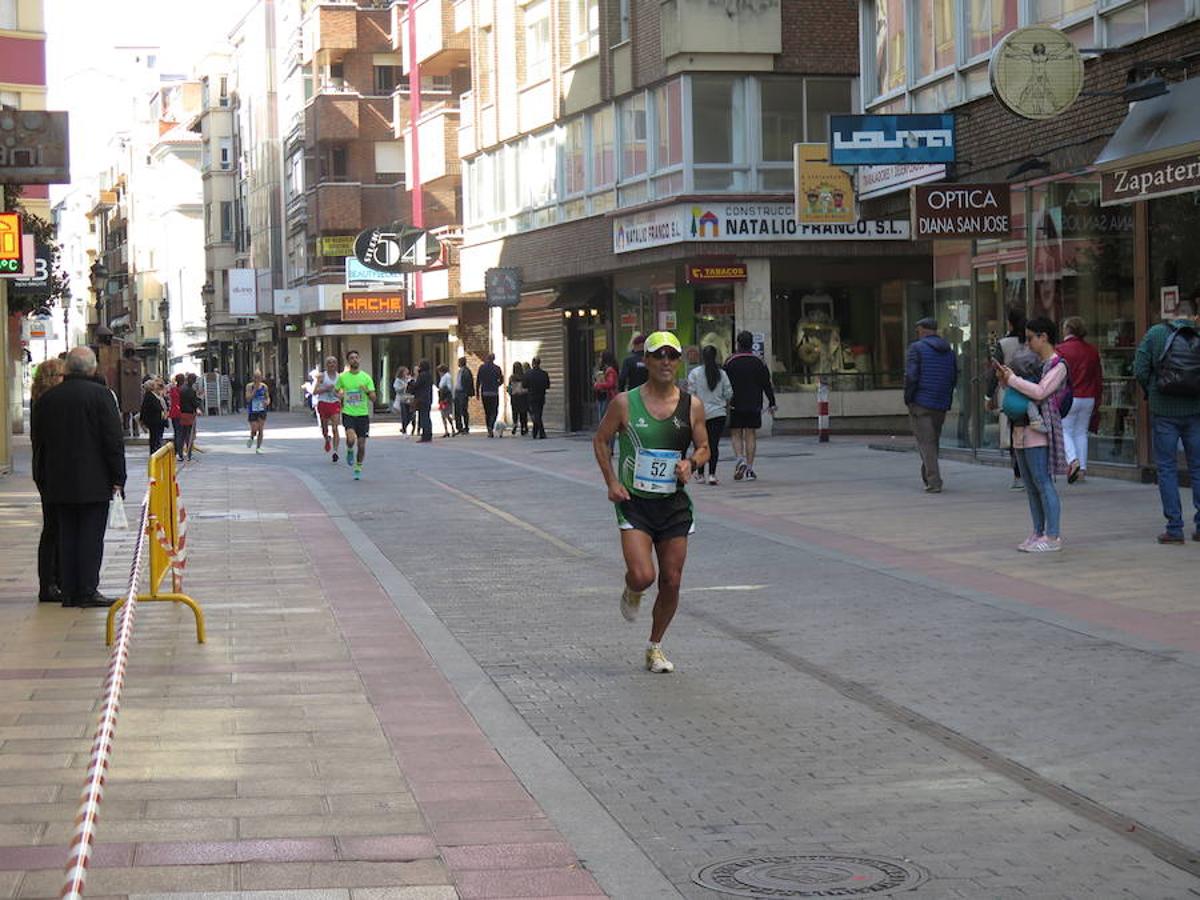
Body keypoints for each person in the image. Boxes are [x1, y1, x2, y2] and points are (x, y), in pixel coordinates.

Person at [593, 331, 709, 674]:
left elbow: (705, 447)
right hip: (635, 502)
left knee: (671, 579)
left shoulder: (692, 405)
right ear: (646, 360)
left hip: (673, 504)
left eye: (673, 356)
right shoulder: (625, 403)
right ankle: (632, 589)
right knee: (644, 575)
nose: (666, 363)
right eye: (659, 356)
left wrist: (692, 463)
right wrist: (612, 482)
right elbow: (600, 441)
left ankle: (655, 647)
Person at [31, 347, 126, 608]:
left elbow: (39, 443)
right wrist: (118, 476)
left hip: (57, 479)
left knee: (67, 535)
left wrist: (42, 477)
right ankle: (86, 589)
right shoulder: (100, 395)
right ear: (92, 368)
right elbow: (112, 440)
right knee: (90, 536)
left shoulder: (48, 399)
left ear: (68, 368)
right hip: (93, 479)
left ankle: (70, 590)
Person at [997, 316, 1070, 552]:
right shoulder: (1035, 362)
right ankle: (1038, 532)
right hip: (1021, 429)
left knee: (1042, 482)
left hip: (1039, 432)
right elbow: (1023, 391)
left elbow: (1040, 392)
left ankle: (1053, 536)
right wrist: (1006, 381)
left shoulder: (1058, 365)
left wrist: (1013, 379)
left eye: (1030, 338)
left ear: (1043, 337)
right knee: (1030, 485)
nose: (1027, 343)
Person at [1133, 299, 1200, 544]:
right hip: (1195, 410)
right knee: (1198, 468)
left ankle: (1174, 528)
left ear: (1172, 314)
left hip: (1164, 412)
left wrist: (1152, 391)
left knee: (1167, 469)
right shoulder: (1198, 334)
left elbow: (1139, 368)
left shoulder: (1156, 333)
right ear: (1194, 316)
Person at [904, 317, 957, 493]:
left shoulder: (916, 349)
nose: (917, 334)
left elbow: (911, 376)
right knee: (932, 441)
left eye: (918, 330)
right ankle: (927, 476)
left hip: (921, 402)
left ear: (924, 330)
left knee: (926, 443)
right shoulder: (948, 350)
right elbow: (953, 376)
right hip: (940, 402)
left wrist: (909, 398)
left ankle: (934, 481)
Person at [30, 358, 65, 604]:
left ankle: (53, 580)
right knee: (53, 527)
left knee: (53, 526)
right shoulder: (48, 402)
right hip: (49, 470)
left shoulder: (40, 399)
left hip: (43, 470)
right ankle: (49, 583)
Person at [724, 331, 777, 481]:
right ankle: (749, 468)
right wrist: (772, 402)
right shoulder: (759, 362)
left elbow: (724, 384)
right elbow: (767, 384)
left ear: (737, 343)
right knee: (750, 434)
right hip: (754, 404)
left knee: (736, 433)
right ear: (751, 343)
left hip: (735, 403)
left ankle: (739, 459)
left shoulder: (730, 361)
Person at [1056, 316, 1103, 484]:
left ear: (1067, 330)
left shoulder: (1060, 350)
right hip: (1088, 396)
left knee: (1064, 430)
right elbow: (1098, 377)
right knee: (1081, 432)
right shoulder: (1092, 350)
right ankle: (1082, 469)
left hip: (1070, 396)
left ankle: (1073, 461)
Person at [988, 308, 1029, 490]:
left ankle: (1019, 474)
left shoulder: (1004, 344)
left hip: (1011, 393)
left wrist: (989, 395)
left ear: (1009, 323)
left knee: (1015, 433)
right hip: (1034, 391)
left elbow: (994, 371)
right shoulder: (1031, 342)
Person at [687, 345, 733, 485]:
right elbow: (729, 393)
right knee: (714, 444)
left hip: (699, 414)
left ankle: (700, 474)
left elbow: (690, 393)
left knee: (700, 445)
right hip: (718, 414)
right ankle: (712, 474)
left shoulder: (695, 373)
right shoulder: (722, 374)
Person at [336, 350, 377, 479]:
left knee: (361, 444)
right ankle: (349, 450)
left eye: (356, 357)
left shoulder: (366, 377)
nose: (354, 360)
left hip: (363, 414)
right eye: (351, 358)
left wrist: (367, 391)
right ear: (348, 361)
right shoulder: (343, 377)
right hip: (348, 412)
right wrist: (340, 395)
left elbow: (374, 398)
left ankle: (358, 466)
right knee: (351, 439)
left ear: (359, 360)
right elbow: (336, 391)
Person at [314, 356, 343, 462]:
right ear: (326, 365)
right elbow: (314, 391)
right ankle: (327, 438)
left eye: (334, 362)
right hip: (323, 403)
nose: (332, 364)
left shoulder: (340, 377)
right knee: (324, 429)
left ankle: (335, 452)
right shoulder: (322, 376)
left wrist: (339, 394)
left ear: (336, 364)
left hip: (334, 403)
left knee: (335, 428)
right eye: (329, 363)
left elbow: (342, 392)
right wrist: (326, 389)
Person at [475, 352, 504, 437]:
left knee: (487, 412)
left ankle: (489, 429)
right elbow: (501, 379)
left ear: (487, 358)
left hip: (485, 393)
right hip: (494, 392)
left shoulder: (482, 368)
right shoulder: (497, 368)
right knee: (494, 411)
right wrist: (497, 384)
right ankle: (491, 424)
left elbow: (478, 381)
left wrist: (477, 392)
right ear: (493, 359)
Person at [175, 375, 202, 461]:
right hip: (189, 413)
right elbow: (194, 403)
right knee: (189, 435)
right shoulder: (190, 390)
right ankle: (188, 454)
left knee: (182, 434)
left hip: (182, 413)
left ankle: (180, 454)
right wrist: (199, 400)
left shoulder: (182, 389)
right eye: (194, 380)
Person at [524, 356, 551, 439]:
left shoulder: (528, 373)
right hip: (541, 396)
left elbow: (524, 385)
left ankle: (541, 432)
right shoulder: (544, 373)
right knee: (538, 414)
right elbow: (547, 386)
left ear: (532, 364)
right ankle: (535, 432)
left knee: (536, 415)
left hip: (532, 397)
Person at [244, 370, 271, 454]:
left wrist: (267, 402)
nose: (257, 379)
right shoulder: (249, 386)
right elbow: (248, 398)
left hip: (262, 409)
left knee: (261, 429)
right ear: (253, 378)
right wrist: (255, 390)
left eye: (259, 377)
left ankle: (258, 448)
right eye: (256, 377)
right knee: (254, 428)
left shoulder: (264, 387)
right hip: (253, 410)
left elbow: (267, 397)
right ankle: (252, 437)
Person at [140, 377, 167, 455]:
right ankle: (154, 451)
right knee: (154, 436)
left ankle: (155, 449)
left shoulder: (152, 395)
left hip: (156, 419)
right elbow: (155, 407)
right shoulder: (149, 396)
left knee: (155, 436)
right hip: (154, 420)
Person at [412, 360, 434, 442]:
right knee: (427, 417)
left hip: (421, 399)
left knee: (423, 417)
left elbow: (416, 386)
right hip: (427, 398)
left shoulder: (422, 375)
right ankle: (428, 434)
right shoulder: (429, 375)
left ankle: (425, 435)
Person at [594, 350, 618, 425]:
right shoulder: (606, 369)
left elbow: (610, 384)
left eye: (601, 357)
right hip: (603, 397)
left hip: (606, 397)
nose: (599, 359)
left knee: (604, 419)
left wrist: (598, 385)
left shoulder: (610, 370)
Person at [453, 356, 474, 435]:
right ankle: (459, 427)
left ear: (461, 363)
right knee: (457, 410)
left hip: (462, 392)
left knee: (463, 410)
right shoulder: (460, 371)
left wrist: (467, 393)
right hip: (458, 392)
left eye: (459, 362)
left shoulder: (466, 371)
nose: (458, 363)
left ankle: (466, 427)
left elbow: (468, 383)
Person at [508, 361, 529, 436]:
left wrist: (510, 392)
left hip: (515, 397)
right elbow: (527, 387)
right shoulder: (524, 376)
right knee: (523, 413)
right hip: (523, 397)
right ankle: (524, 427)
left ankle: (515, 424)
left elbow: (509, 388)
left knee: (515, 412)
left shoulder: (512, 377)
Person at [393, 366, 414, 436]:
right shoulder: (398, 380)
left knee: (411, 415)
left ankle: (405, 427)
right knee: (404, 415)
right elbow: (397, 389)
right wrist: (404, 386)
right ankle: (404, 429)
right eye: (405, 372)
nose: (407, 374)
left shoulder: (408, 379)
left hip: (409, 398)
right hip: (402, 399)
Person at [436, 364, 454, 437]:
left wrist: (446, 397)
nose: (439, 373)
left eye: (439, 371)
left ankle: (452, 428)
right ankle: (446, 430)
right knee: (443, 415)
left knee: (446, 414)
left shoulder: (447, 376)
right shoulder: (443, 377)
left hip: (445, 397)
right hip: (441, 397)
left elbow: (449, 387)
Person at [167, 373, 184, 442]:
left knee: (177, 431)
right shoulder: (184, 389)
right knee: (183, 431)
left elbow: (170, 398)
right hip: (182, 412)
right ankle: (181, 447)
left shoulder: (173, 389)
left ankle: (177, 448)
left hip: (174, 411)